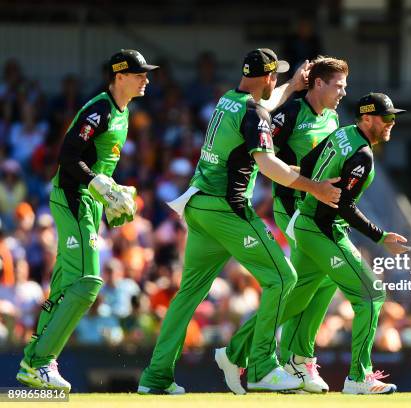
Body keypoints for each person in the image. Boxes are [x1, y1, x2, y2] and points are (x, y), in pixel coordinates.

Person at [138, 48, 341, 395]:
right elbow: (268, 165)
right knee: (283, 276)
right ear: (267, 77)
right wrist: (314, 187)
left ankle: (156, 378)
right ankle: (262, 366)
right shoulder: (253, 112)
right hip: (227, 209)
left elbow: (264, 107)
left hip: (198, 206)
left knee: (187, 295)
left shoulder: (229, 100)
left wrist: (291, 87)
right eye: (276, 77)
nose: (277, 82)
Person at [225, 92, 410, 395]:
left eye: (393, 118)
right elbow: (342, 207)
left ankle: (234, 351)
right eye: (386, 118)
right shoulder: (361, 154)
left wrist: (299, 203)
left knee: (296, 299)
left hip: (305, 221)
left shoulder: (343, 133)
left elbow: (307, 163)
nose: (391, 124)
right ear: (366, 118)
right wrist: (380, 236)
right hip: (321, 228)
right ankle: (358, 378)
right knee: (371, 294)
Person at [16, 49, 158, 392]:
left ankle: (33, 362)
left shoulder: (124, 112)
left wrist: (109, 190)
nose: (146, 80)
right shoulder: (100, 109)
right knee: (89, 282)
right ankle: (41, 360)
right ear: (119, 76)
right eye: (139, 74)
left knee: (66, 285)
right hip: (72, 198)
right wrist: (97, 184)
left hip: (87, 202)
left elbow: (99, 164)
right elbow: (67, 156)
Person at [271, 55, 347, 392]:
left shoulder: (332, 117)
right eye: (339, 86)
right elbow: (262, 157)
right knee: (316, 276)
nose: (344, 92)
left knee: (327, 279)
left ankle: (295, 359)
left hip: (320, 212)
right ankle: (276, 355)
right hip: (292, 210)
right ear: (318, 83)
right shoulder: (289, 114)